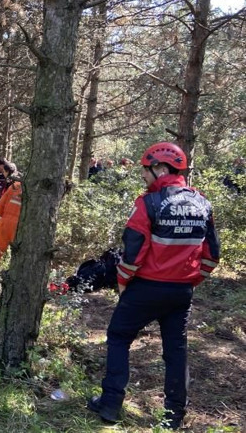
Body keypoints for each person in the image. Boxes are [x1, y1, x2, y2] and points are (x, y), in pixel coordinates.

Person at [88, 142, 220, 430]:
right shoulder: (203, 203)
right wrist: (192, 281)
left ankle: (110, 404)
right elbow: (212, 255)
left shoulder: (148, 203)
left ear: (161, 169)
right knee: (176, 349)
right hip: (181, 291)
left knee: (119, 337)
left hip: (145, 287)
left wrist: (123, 282)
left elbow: (133, 252)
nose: (144, 177)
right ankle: (173, 416)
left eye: (146, 171)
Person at [0, 161, 22, 266]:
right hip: (20, 225)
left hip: (5, 221)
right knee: (17, 251)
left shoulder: (14, 186)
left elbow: (0, 205)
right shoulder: (34, 192)